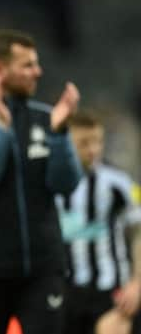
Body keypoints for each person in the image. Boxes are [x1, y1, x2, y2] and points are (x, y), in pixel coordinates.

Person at [0, 29, 82, 334]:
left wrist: (60, 134)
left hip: (43, 270)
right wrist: (2, 128)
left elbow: (66, 183)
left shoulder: (45, 118)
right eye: (27, 65)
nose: (37, 72)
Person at [57, 110, 141, 334]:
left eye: (98, 142)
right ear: (66, 143)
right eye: (84, 143)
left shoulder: (117, 181)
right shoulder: (50, 183)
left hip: (110, 288)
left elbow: (138, 233)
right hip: (64, 291)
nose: (93, 150)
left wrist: (137, 283)